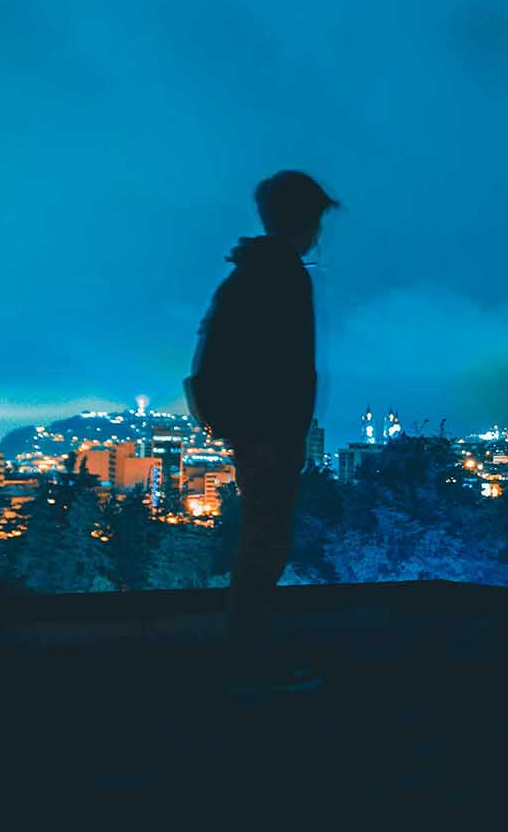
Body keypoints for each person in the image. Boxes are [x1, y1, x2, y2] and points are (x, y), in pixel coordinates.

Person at [188, 170, 337, 692]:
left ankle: (247, 655)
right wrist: (275, 437)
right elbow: (286, 367)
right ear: (308, 219)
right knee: (264, 548)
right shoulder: (283, 276)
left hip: (254, 435)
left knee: (258, 544)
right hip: (269, 437)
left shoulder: (248, 273)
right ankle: (250, 662)